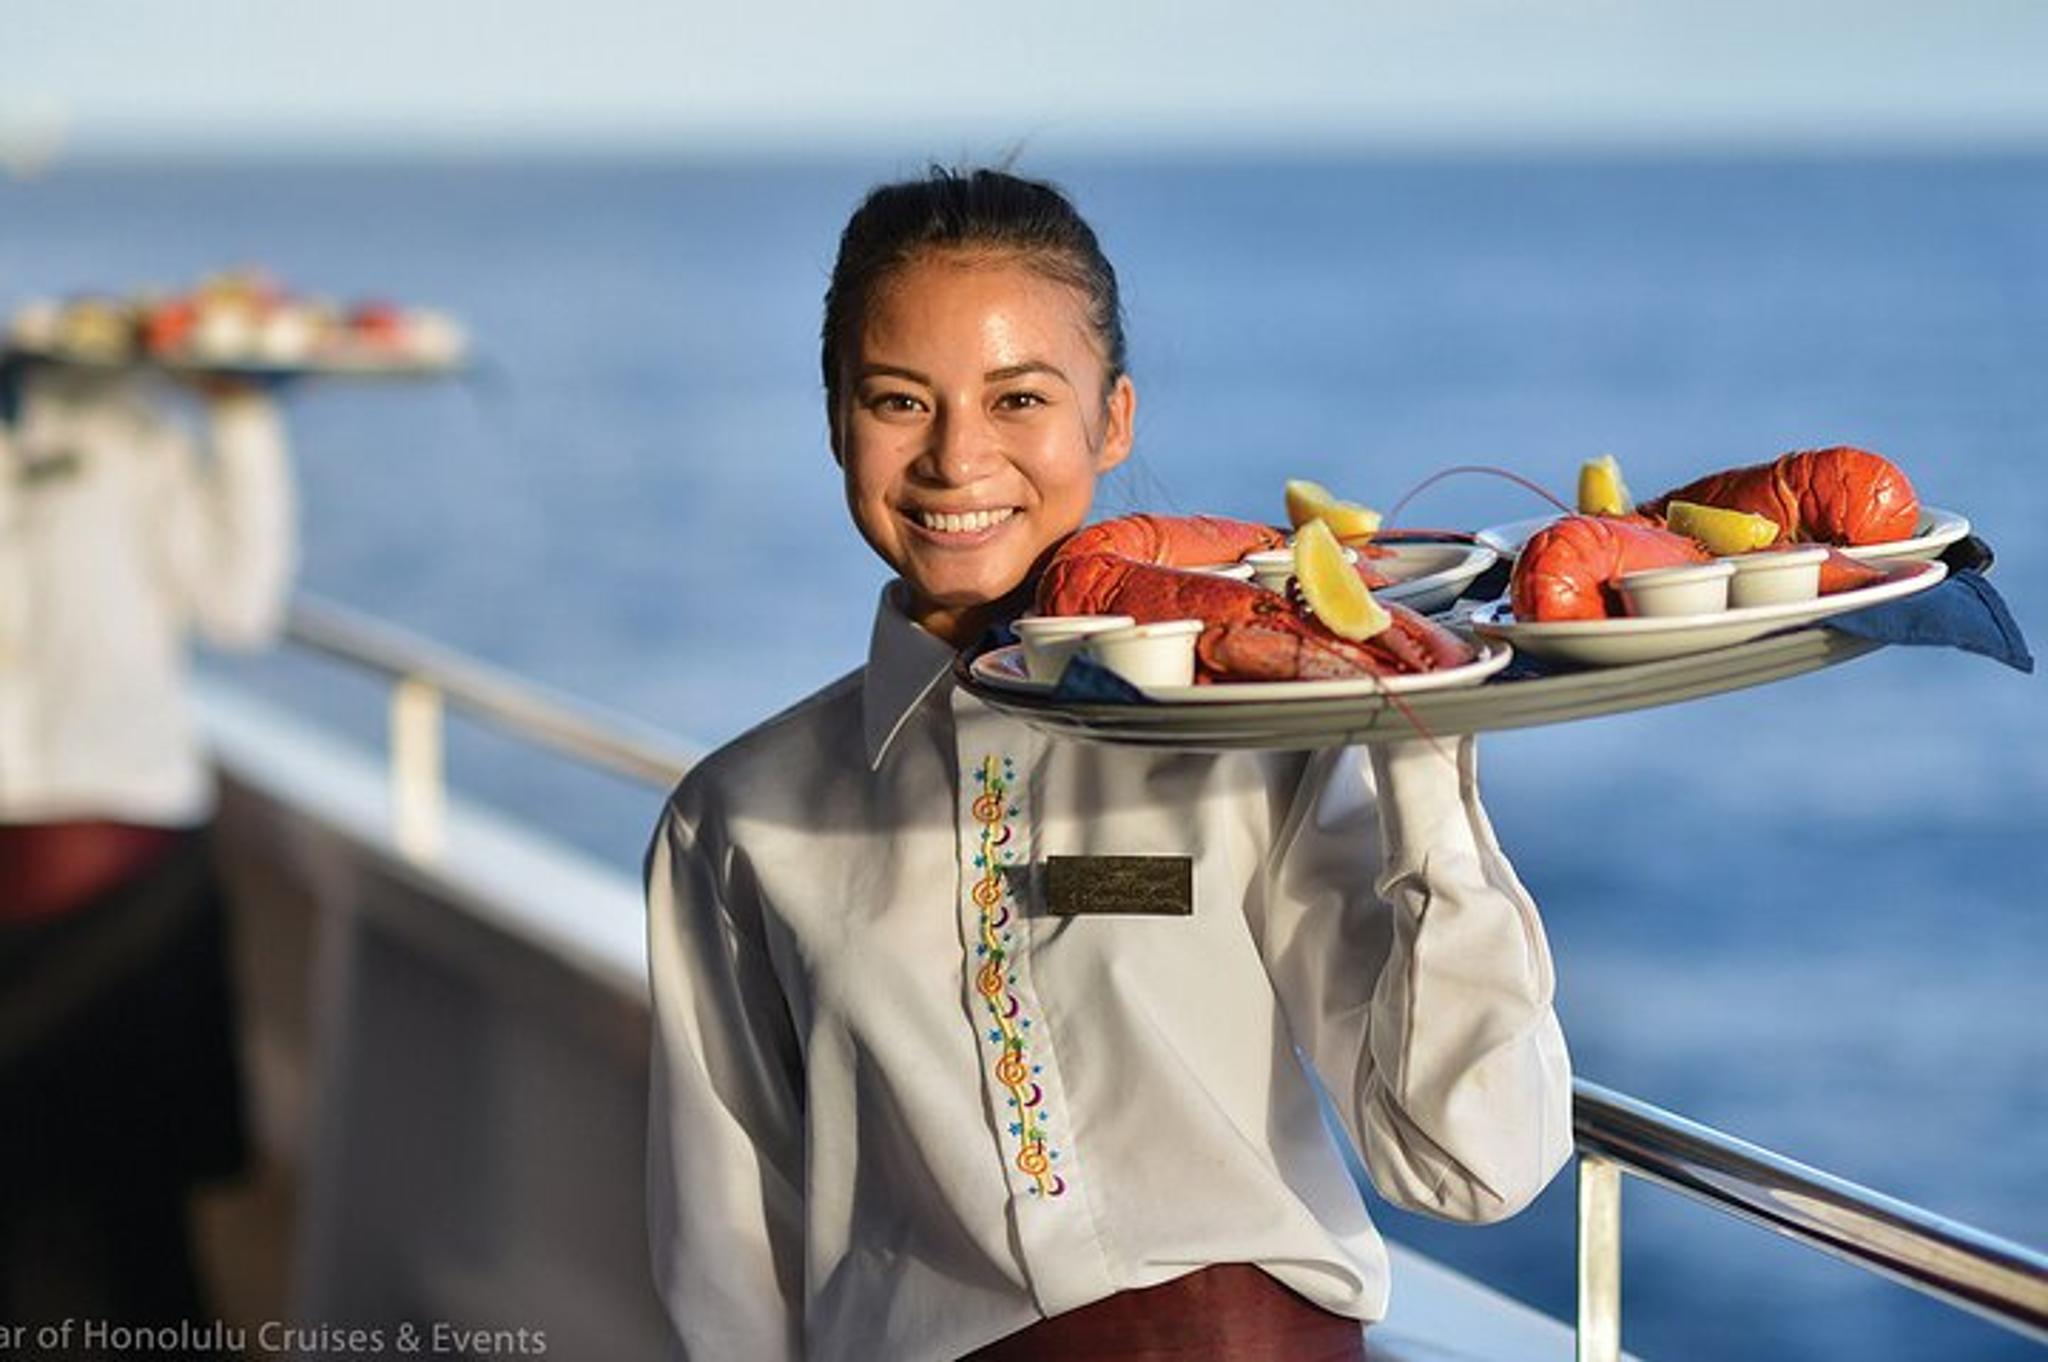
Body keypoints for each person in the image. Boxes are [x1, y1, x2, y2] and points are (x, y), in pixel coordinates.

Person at [644, 167, 1572, 1362]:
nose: (956, 457)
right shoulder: (738, 819)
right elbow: (728, 1284)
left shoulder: (1256, 743)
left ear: (1112, 420)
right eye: (898, 400)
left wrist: (1420, 751)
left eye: (1019, 397)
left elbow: (1474, 1165)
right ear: (836, 421)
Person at [0, 359, 295, 1340]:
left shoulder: (125, 429)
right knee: (77, 1208)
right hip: (86, 859)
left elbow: (239, 607)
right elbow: (239, 609)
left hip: (111, 861)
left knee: (98, 1200)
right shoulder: (126, 428)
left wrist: (241, 419)